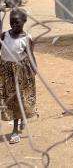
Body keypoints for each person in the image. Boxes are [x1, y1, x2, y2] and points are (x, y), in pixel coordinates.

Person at [0, 9, 37, 144]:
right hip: (6, 72)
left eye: (17, 22)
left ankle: (15, 130)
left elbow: (30, 55)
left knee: (20, 99)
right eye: (11, 22)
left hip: (21, 72)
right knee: (11, 99)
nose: (14, 25)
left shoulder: (27, 38)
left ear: (24, 22)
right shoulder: (4, 36)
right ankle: (20, 119)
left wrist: (34, 69)